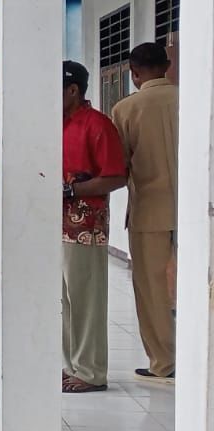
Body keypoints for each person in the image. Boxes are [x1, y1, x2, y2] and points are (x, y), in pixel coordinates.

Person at [59, 61, 128, 393]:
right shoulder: (55, 124)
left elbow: (116, 176)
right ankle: (69, 363)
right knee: (64, 299)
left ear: (73, 90)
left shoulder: (97, 125)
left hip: (86, 223)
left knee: (86, 299)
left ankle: (91, 371)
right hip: (53, 222)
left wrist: (73, 190)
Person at [111, 42, 178, 381]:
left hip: (150, 209)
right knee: (198, 283)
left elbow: (118, 164)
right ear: (167, 66)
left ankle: (163, 362)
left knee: (152, 288)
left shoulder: (126, 109)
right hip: (196, 211)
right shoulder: (193, 99)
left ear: (133, 73)